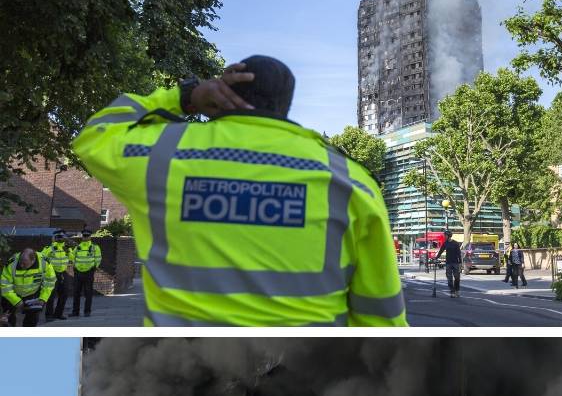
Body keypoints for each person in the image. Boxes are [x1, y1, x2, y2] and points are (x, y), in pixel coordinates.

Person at [71, 56, 406, 326]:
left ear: (222, 93)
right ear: (284, 104)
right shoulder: (351, 181)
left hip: (178, 371)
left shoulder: (163, 154)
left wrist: (185, 96)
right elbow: (382, 318)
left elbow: (94, 136)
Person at [2, 247, 56, 327]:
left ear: (33, 260)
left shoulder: (44, 262)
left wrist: (43, 298)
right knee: (7, 320)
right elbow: (5, 286)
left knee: (32, 320)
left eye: (25, 263)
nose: (21, 265)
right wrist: (17, 301)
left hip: (33, 294)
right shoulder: (11, 263)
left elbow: (50, 282)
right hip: (13, 294)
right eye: (20, 262)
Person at [38, 231, 73, 320]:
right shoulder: (49, 248)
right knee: (51, 295)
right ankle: (49, 315)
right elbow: (41, 258)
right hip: (51, 273)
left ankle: (58, 314)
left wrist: (69, 251)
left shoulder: (67, 248)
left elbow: (72, 259)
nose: (61, 238)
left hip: (63, 272)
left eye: (62, 237)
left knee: (64, 294)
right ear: (55, 238)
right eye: (59, 237)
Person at [71, 229, 103, 317]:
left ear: (90, 236)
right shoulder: (78, 247)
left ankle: (87, 311)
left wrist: (94, 267)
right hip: (78, 273)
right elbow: (73, 257)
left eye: (87, 236)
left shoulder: (94, 247)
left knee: (88, 293)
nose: (85, 237)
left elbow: (98, 258)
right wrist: (75, 267)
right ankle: (75, 312)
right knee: (76, 292)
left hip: (89, 272)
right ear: (82, 236)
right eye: (84, 236)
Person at [440, 230, 463, 298]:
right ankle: (452, 292)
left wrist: (460, 263)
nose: (444, 236)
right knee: (449, 278)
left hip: (455, 263)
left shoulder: (455, 243)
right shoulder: (445, 243)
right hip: (448, 263)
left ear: (448, 236)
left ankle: (457, 290)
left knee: (457, 278)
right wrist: (436, 258)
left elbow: (459, 253)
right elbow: (441, 251)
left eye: (445, 235)